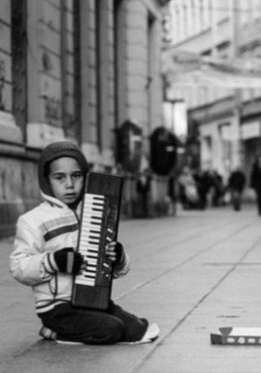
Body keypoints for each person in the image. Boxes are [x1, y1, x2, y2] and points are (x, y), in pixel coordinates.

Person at [9, 141, 159, 344]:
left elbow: (119, 270)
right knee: (111, 329)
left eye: (76, 176)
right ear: (46, 181)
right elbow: (18, 267)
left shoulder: (95, 211)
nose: (69, 184)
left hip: (92, 299)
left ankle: (91, 325)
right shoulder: (32, 221)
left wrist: (119, 258)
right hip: (58, 307)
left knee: (137, 329)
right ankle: (54, 331)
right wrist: (53, 262)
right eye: (59, 177)